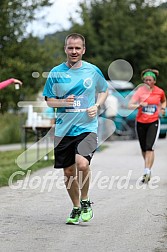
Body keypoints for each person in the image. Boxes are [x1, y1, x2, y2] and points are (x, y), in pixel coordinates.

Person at [43, 33, 108, 224]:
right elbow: (48, 101)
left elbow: (104, 90)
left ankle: (86, 200)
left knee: (82, 164)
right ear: (65, 49)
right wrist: (62, 101)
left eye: (77, 48)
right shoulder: (55, 73)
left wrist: (96, 106)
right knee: (68, 172)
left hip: (87, 127)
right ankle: (76, 206)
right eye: (70, 48)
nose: (74, 51)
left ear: (83, 50)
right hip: (63, 131)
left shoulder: (92, 70)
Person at [128, 69, 166, 183]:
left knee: (150, 147)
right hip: (140, 122)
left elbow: (164, 101)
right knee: (144, 148)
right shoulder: (140, 91)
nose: (147, 82)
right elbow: (130, 105)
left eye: (149, 80)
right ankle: (147, 167)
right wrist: (139, 104)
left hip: (153, 121)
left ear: (154, 81)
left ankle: (147, 171)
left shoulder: (159, 91)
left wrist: (162, 108)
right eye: (145, 80)